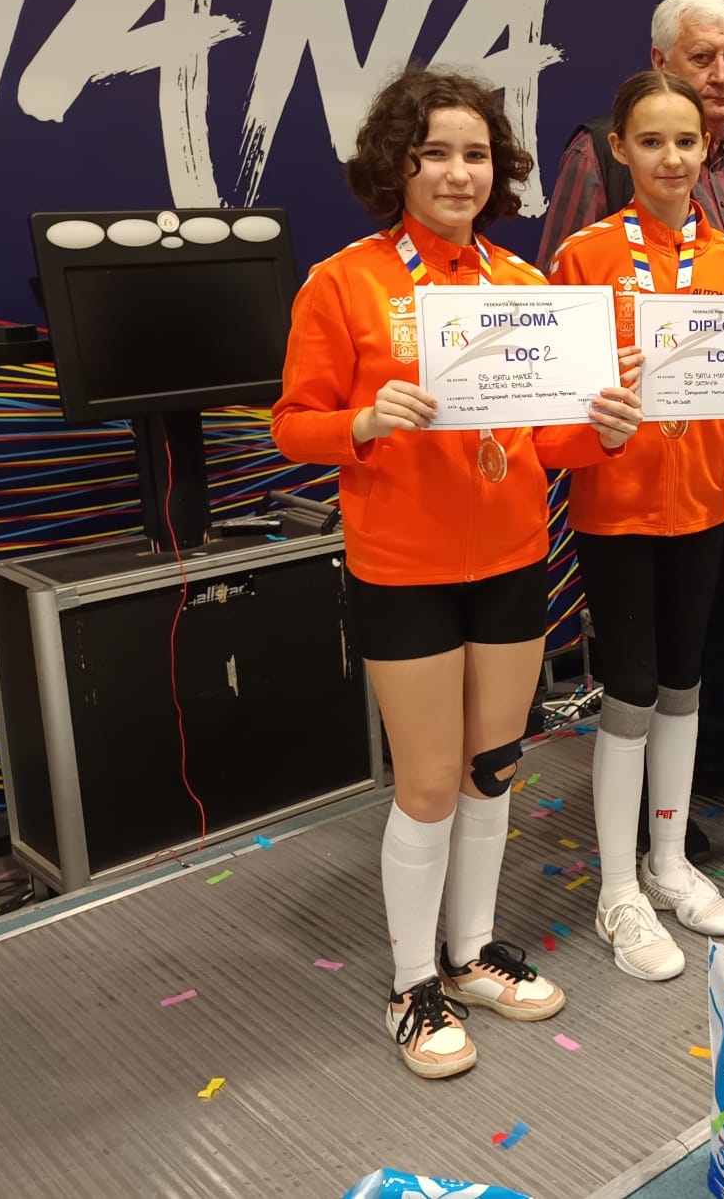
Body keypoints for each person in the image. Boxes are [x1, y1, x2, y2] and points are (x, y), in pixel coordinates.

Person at [273, 68, 643, 1077]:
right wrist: (360, 421)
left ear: (498, 169)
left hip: (512, 561)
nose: (456, 172)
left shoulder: (526, 287)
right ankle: (412, 982)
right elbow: (292, 423)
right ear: (396, 165)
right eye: (433, 152)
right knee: (430, 782)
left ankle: (472, 953)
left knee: (493, 767)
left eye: (475, 154)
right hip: (404, 568)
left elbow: (551, 439)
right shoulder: (345, 281)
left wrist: (604, 431)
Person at [545, 70, 724, 981]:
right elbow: (556, 403)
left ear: (706, 147)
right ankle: (618, 889)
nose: (672, 158)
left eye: (686, 141)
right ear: (620, 150)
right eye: (651, 142)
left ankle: (669, 861)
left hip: (704, 503)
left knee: (684, 683)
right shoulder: (584, 257)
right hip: (616, 507)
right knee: (633, 688)